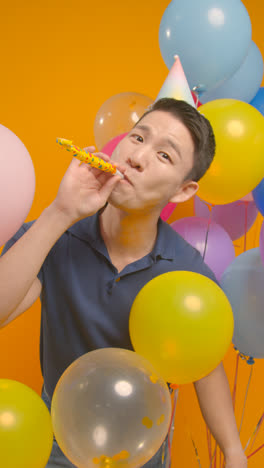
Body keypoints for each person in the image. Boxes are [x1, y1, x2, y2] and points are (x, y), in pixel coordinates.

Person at [0, 98, 247, 467]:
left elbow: (205, 364)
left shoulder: (187, 271)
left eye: (164, 156)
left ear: (183, 192)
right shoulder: (56, 235)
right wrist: (61, 212)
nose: (137, 157)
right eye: (137, 138)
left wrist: (233, 451)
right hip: (58, 435)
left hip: (141, 442)